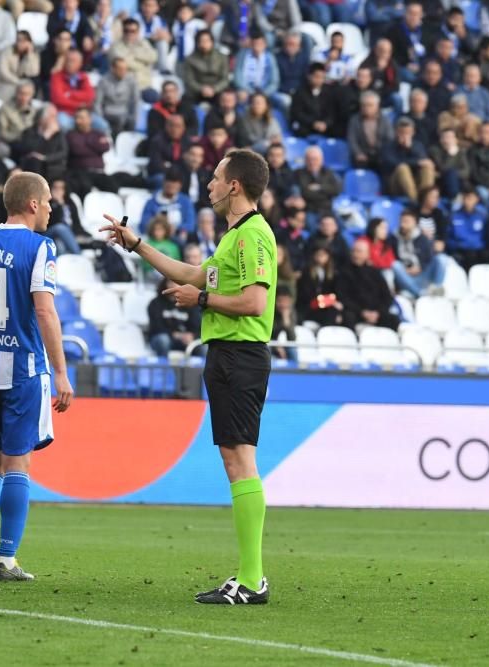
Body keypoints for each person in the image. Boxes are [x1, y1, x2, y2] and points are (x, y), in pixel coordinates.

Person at [102, 148, 276, 605]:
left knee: (240, 460)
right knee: (235, 459)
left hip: (241, 355)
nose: (210, 185)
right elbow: (192, 275)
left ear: (235, 185)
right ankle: (250, 575)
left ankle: (253, 578)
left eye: (217, 178)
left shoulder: (254, 235)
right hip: (227, 355)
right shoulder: (233, 237)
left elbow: (256, 303)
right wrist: (137, 244)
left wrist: (200, 302)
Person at [0, 172, 73, 582]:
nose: (51, 208)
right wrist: (62, 371)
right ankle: (7, 560)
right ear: (32, 204)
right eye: (48, 200)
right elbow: (45, 310)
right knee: (18, 462)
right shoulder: (40, 247)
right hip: (23, 367)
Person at [339, 239, 401, 330]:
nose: (355, 254)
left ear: (367, 254)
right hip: (356, 312)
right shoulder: (343, 272)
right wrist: (363, 312)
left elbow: (387, 296)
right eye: (353, 251)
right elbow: (343, 298)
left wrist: (378, 313)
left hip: (376, 313)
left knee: (393, 319)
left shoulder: (375, 273)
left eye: (359, 252)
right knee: (348, 317)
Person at [391, 210, 447, 296]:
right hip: (405, 276)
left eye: (406, 222)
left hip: (422, 274)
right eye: (401, 221)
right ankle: (420, 294)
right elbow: (390, 257)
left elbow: (430, 257)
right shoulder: (393, 238)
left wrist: (420, 267)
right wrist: (406, 269)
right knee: (395, 265)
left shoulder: (422, 238)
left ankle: (436, 288)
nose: (403, 225)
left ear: (415, 223)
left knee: (442, 258)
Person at [382, 116, 435, 203]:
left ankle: (426, 199)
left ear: (413, 132)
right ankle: (416, 202)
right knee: (402, 168)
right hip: (396, 185)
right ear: (396, 132)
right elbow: (392, 163)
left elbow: (424, 161)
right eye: (402, 132)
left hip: (416, 182)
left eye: (408, 133)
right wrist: (417, 162)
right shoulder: (388, 146)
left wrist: (410, 148)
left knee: (427, 168)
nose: (405, 135)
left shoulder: (417, 145)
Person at [148, 277, 202, 357]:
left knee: (201, 346)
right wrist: (176, 335)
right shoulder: (155, 303)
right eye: (170, 282)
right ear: (165, 284)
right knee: (163, 340)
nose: (173, 285)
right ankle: (164, 369)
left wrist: (192, 335)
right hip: (163, 338)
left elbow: (197, 326)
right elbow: (156, 327)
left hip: (185, 340)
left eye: (177, 282)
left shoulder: (191, 304)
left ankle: (200, 369)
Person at [296, 243, 344, 327]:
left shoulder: (334, 273)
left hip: (324, 309)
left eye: (323, 255)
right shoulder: (306, 271)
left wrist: (330, 302)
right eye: (318, 254)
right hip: (309, 307)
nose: (320, 257)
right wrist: (328, 301)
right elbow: (306, 295)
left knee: (334, 311)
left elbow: (336, 293)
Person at [180, 29, 230, 106]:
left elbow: (225, 79)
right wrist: (201, 89)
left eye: (207, 41)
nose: (204, 44)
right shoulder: (190, 59)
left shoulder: (222, 58)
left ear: (212, 42)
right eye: (201, 41)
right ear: (197, 43)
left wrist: (214, 89)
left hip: (217, 91)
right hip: (197, 92)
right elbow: (189, 80)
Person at [140, 169, 197, 236]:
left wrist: (176, 228)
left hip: (178, 238)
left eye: (175, 183)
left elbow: (191, 225)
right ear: (164, 182)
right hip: (156, 238)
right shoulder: (151, 202)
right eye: (169, 183)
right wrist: (157, 223)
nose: (172, 186)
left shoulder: (185, 202)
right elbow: (143, 226)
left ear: (180, 185)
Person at [107, 18, 158, 92]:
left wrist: (135, 54)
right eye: (126, 31)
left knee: (154, 96)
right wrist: (143, 64)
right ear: (122, 31)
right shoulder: (115, 46)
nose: (129, 33)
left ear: (138, 32)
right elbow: (123, 63)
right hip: (124, 86)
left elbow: (154, 57)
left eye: (133, 31)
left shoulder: (144, 43)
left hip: (144, 85)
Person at [347, 91, 393, 170]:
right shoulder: (354, 120)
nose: (366, 108)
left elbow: (390, 139)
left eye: (370, 105)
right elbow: (352, 139)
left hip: (380, 156)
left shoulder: (385, 120)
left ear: (377, 106)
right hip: (362, 156)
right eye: (364, 105)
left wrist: (384, 154)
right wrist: (358, 153)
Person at [289, 63, 337, 139]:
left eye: (322, 77)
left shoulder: (328, 92)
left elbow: (331, 113)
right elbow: (297, 114)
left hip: (323, 127)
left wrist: (325, 123)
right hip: (306, 126)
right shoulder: (300, 92)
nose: (319, 80)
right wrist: (313, 123)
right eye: (317, 77)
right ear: (309, 76)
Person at [295, 147, 341, 224]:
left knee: (340, 229)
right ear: (305, 160)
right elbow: (305, 193)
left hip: (327, 211)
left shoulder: (328, 172)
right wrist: (326, 192)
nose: (312, 162)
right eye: (309, 159)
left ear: (321, 160)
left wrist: (319, 187)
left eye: (315, 159)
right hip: (310, 211)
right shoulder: (299, 173)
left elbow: (336, 190)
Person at [95, 57, 138, 137]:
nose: (123, 72)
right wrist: (101, 120)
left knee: (131, 122)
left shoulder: (131, 81)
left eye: (125, 69)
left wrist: (134, 117)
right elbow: (97, 103)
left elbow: (135, 101)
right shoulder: (104, 81)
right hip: (108, 113)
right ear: (113, 69)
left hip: (125, 112)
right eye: (120, 69)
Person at [0, 31, 40, 104]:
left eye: (24, 40)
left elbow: (34, 72)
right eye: (18, 40)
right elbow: (3, 72)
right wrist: (18, 82)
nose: (20, 43)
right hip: (6, 83)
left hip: (22, 83)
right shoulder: (7, 52)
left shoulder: (33, 54)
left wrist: (29, 54)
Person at [448, 188, 489, 268]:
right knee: (470, 255)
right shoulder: (453, 216)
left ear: (477, 200)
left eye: (471, 198)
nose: (468, 200)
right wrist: (457, 245)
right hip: (461, 249)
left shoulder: (482, 216)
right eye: (466, 197)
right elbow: (449, 237)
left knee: (488, 255)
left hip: (479, 249)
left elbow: (486, 236)